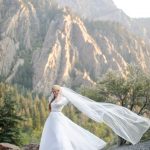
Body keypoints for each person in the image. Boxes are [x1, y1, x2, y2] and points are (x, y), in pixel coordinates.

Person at [39, 85, 150, 150]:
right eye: (53, 91)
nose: (54, 92)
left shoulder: (63, 99)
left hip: (59, 118)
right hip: (51, 119)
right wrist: (54, 97)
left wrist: (59, 95)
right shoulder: (51, 99)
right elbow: (51, 104)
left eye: (56, 91)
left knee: (60, 135)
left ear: (60, 91)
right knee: (51, 136)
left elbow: (64, 102)